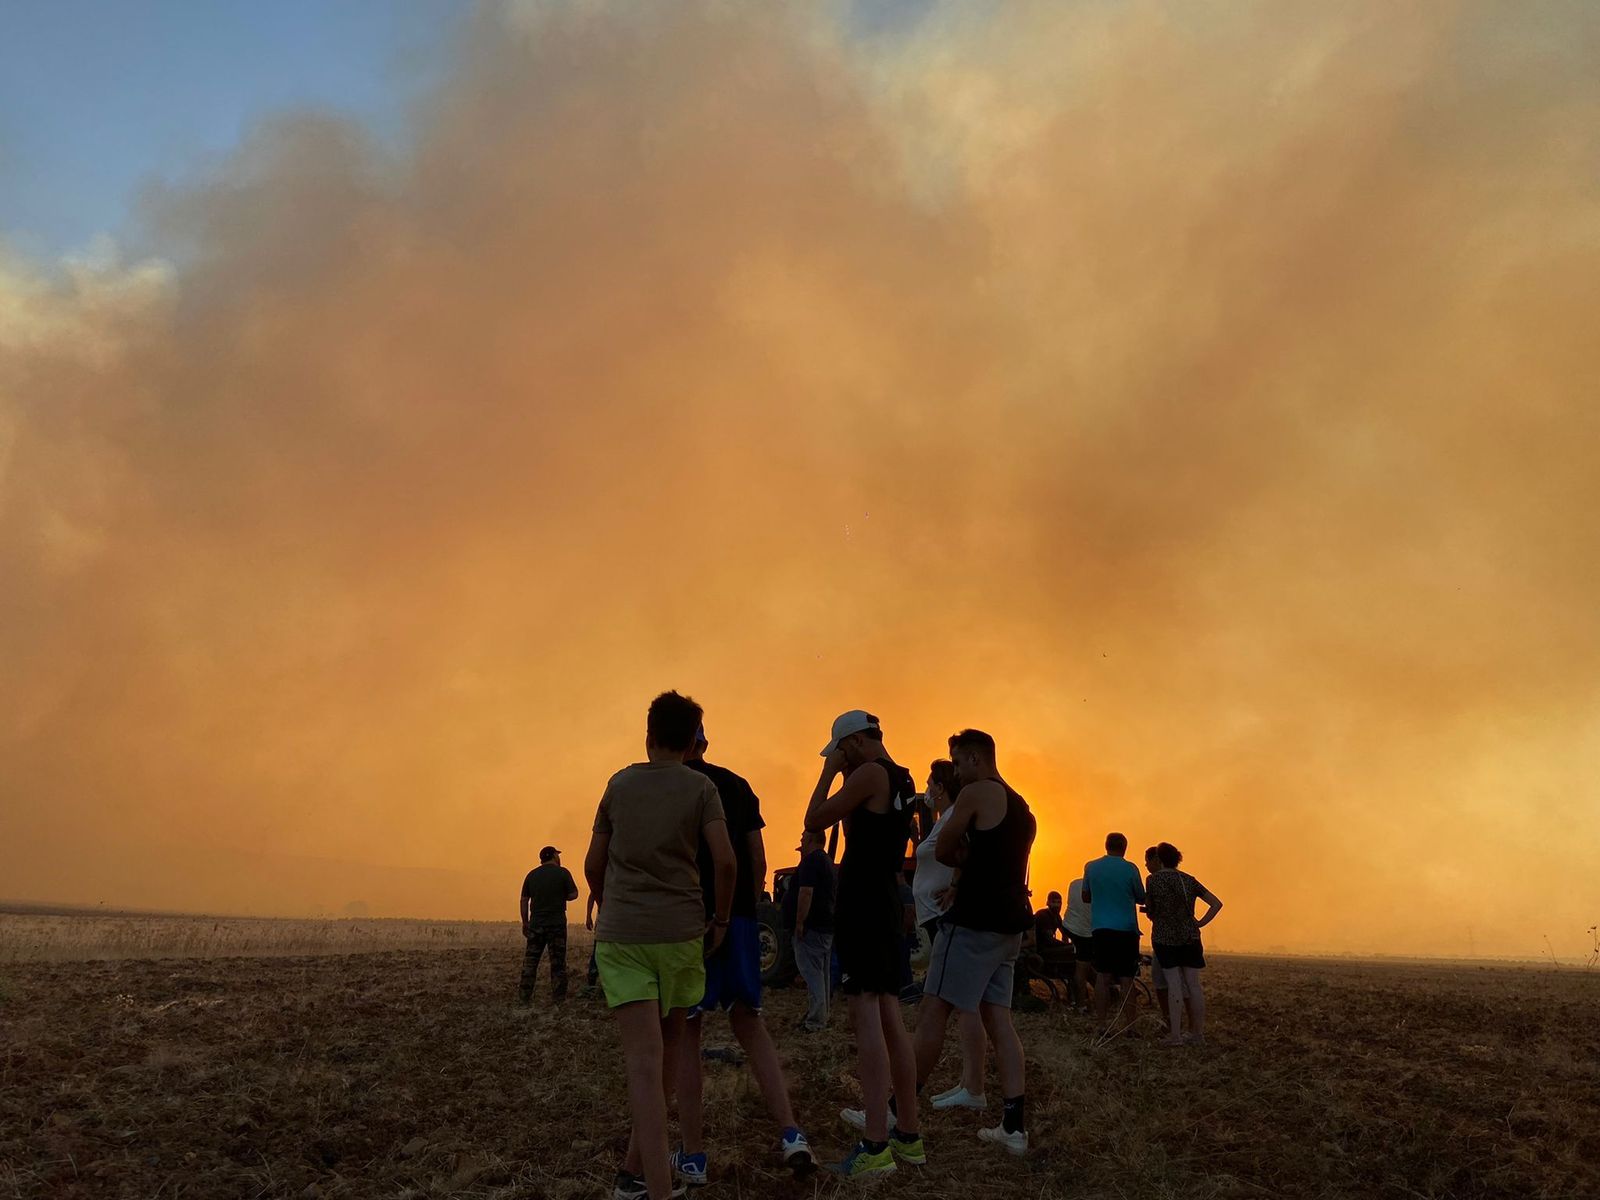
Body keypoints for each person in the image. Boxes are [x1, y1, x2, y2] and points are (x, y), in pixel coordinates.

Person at [584, 691, 735, 1200]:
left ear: (648, 735)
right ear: (693, 739)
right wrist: (720, 918)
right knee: (668, 1054)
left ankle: (656, 1189)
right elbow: (727, 861)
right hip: (681, 935)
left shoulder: (619, 785)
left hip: (625, 938)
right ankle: (634, 1175)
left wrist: (608, 902)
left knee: (645, 1065)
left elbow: (592, 863)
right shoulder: (702, 788)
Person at [673, 726, 813, 1184]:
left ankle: (693, 1155)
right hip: (741, 922)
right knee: (751, 1027)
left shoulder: (674, 787)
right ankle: (792, 1133)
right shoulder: (736, 784)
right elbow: (756, 855)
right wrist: (746, 911)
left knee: (687, 1034)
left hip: (691, 921)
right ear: (705, 745)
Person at [805, 710, 925, 1177]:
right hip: (886, 905)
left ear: (854, 742)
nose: (840, 760)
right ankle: (908, 1135)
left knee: (865, 1014)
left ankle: (875, 1143)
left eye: (841, 750)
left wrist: (829, 770)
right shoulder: (901, 777)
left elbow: (814, 818)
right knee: (891, 1014)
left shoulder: (870, 773)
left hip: (864, 905)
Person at [913, 729, 1037, 1157]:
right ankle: (1013, 1127)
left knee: (934, 1008)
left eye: (959, 762)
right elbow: (1001, 861)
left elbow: (945, 849)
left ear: (974, 759)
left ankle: (896, 1111)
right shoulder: (1022, 807)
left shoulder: (975, 792)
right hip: (1010, 928)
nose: (957, 772)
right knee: (998, 1020)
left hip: (972, 925)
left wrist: (962, 860)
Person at [911, 760, 987, 1108]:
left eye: (930, 783)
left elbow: (966, 853)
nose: (927, 789)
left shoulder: (955, 816)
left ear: (939, 787)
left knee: (958, 1005)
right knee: (964, 1005)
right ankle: (971, 1086)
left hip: (944, 918)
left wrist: (956, 885)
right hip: (933, 917)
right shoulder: (941, 819)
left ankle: (912, 1097)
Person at [1145, 842, 1222, 1045]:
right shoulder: (1188, 880)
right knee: (1194, 985)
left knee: (1174, 984)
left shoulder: (1153, 880)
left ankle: (1175, 1035)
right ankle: (1197, 1034)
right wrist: (1200, 923)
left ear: (1160, 859)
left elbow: (1151, 909)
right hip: (1190, 937)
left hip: (1165, 938)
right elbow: (1216, 903)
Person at [1082, 832, 1146, 1035]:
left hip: (1101, 929)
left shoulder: (1091, 867)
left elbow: (1085, 896)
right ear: (1124, 848)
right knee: (1127, 979)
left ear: (1106, 845)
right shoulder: (1130, 868)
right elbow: (1141, 897)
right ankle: (1131, 1026)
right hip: (1126, 930)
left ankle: (1101, 1025)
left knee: (1102, 977)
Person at [783, 828, 835, 1032]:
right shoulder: (826, 861)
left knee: (812, 973)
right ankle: (821, 1014)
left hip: (811, 928)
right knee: (821, 974)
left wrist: (799, 922)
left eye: (803, 836)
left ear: (813, 838)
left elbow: (805, 893)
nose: (801, 839)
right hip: (824, 926)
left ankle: (815, 1021)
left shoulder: (812, 861)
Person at [519, 846, 580, 1003]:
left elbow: (524, 900)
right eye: (557, 855)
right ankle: (559, 999)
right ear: (554, 856)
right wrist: (559, 895)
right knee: (558, 964)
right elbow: (574, 894)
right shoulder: (563, 873)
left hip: (536, 924)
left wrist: (525, 922)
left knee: (531, 962)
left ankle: (524, 998)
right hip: (556, 925)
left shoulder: (532, 875)